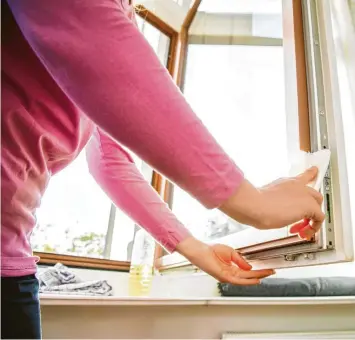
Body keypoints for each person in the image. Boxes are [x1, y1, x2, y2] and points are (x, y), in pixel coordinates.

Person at [1, 1, 325, 339]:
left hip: (12, 259)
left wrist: (193, 247)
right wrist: (255, 203)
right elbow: (126, 88)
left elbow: (110, 159)